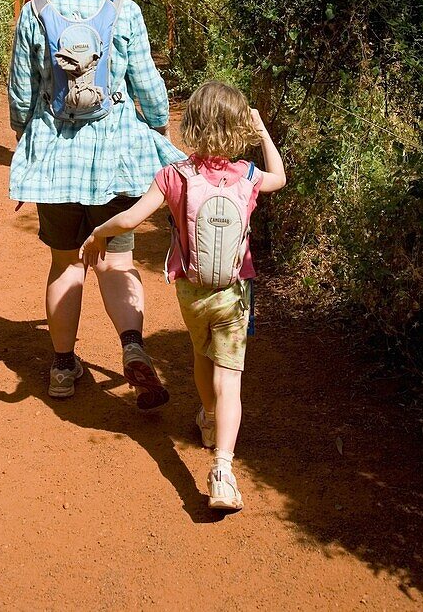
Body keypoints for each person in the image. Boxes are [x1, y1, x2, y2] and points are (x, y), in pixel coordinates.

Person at [81, 81, 286, 511]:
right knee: (229, 376)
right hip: (233, 292)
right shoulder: (247, 175)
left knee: (200, 356)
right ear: (238, 129)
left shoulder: (175, 175)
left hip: (192, 292)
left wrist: (99, 231)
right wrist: (263, 131)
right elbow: (280, 179)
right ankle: (223, 471)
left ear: (190, 124)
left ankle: (208, 419)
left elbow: (133, 217)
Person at [8, 0, 185, 407]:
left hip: (57, 164)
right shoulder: (124, 10)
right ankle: (133, 351)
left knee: (65, 264)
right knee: (116, 261)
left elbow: (22, 93)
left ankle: (63, 369)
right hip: (116, 161)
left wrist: (27, 139)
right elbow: (147, 85)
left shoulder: (35, 11)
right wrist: (155, 126)